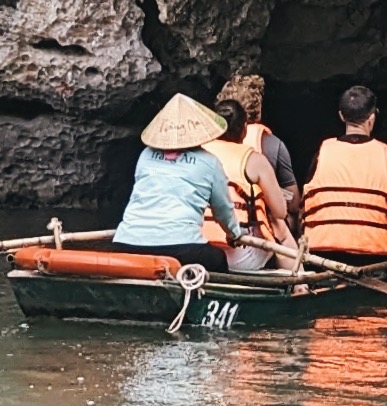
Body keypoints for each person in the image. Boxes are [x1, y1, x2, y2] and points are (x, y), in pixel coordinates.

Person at [114, 92, 240, 269]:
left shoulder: (146, 154)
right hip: (180, 247)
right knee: (217, 258)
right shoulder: (210, 162)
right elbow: (223, 210)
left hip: (126, 242)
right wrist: (234, 233)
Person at [300, 83, 387, 263]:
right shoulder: (386, 154)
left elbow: (304, 205)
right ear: (372, 118)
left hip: (320, 252)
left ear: (341, 116)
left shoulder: (322, 151)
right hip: (372, 255)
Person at [206, 99, 295, 268]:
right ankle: (299, 286)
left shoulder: (198, 153)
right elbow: (281, 210)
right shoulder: (254, 160)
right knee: (277, 223)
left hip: (198, 246)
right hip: (239, 254)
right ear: (244, 129)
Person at [218, 70, 300, 236]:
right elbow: (293, 204)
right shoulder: (273, 145)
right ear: (258, 109)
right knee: (287, 219)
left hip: (213, 227)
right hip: (251, 231)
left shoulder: (206, 145)